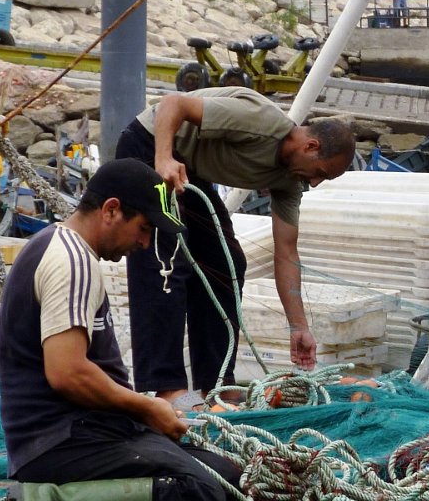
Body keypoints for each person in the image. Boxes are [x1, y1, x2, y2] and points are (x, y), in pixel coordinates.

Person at [0, 159, 245, 501]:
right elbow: (67, 373)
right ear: (111, 210)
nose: (146, 244)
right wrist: (147, 407)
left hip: (86, 430)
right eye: (144, 229)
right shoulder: (72, 262)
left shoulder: (56, 246)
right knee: (202, 491)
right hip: (61, 440)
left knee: (229, 479)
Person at [116, 87, 355, 404]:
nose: (314, 183)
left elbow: (286, 252)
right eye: (320, 174)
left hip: (191, 169)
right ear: (311, 146)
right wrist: (164, 158)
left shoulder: (290, 180)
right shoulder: (259, 122)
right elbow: (172, 105)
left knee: (225, 262)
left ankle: (216, 385)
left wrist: (298, 328)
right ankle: (163, 387)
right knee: (168, 256)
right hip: (150, 146)